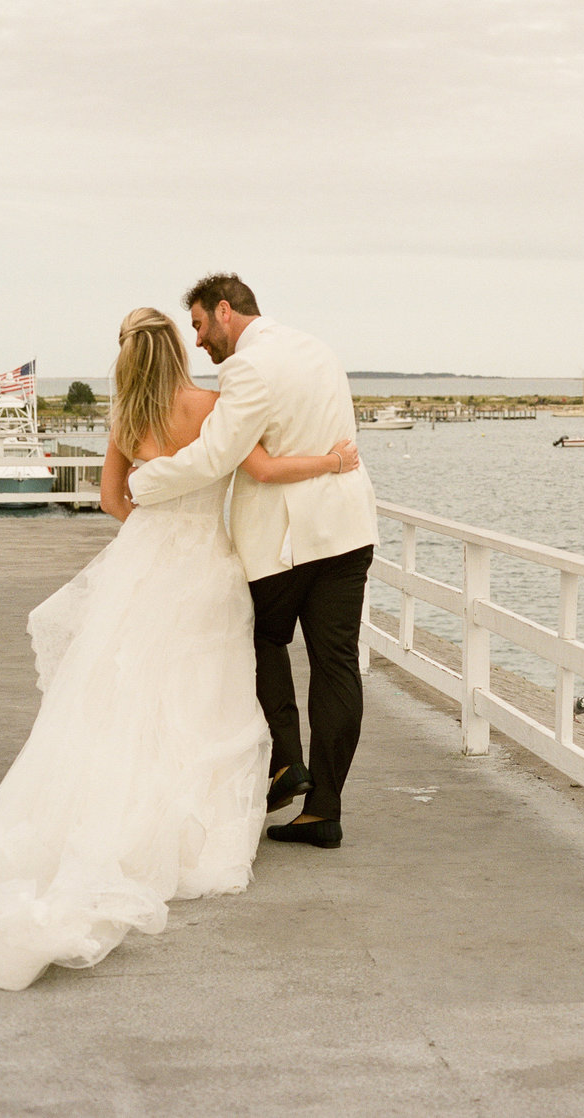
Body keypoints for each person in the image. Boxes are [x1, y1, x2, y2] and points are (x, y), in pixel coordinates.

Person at [0, 307, 359, 991]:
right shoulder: (211, 405)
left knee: (127, 691)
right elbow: (261, 467)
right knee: (205, 693)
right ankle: (196, 825)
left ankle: (126, 809)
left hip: (147, 564)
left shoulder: (124, 420)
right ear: (179, 348)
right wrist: (330, 461)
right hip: (211, 565)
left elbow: (112, 501)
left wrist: (157, 517)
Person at [127, 273, 377, 849]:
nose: (197, 343)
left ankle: (286, 763)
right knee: (337, 665)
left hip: (285, 542)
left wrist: (145, 482)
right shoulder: (318, 348)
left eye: (197, 325)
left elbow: (218, 455)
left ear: (223, 311)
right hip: (348, 529)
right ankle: (324, 812)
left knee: (257, 638)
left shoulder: (246, 368)